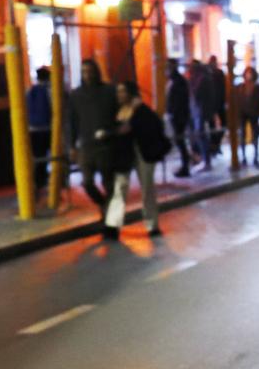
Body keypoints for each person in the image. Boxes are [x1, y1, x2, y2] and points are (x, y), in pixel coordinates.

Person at [66, 58, 122, 239]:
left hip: (106, 145)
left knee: (109, 185)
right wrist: (72, 145)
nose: (87, 75)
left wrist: (112, 132)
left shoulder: (109, 92)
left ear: (96, 72)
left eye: (90, 71)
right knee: (87, 182)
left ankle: (111, 224)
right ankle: (105, 205)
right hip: (87, 146)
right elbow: (72, 122)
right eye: (84, 72)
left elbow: (119, 117)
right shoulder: (76, 95)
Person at [112, 79, 168, 237]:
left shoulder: (142, 109)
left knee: (147, 189)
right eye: (118, 92)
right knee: (120, 188)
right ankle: (114, 225)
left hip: (143, 153)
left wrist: (133, 125)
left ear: (130, 93)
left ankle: (152, 225)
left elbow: (153, 127)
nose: (120, 95)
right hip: (125, 154)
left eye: (122, 91)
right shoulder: (119, 110)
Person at [26, 65, 54, 189]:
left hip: (33, 129)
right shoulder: (50, 90)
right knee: (54, 155)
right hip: (49, 128)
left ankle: (39, 181)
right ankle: (56, 180)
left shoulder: (31, 91)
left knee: (38, 156)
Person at [166, 59, 195, 178]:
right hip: (176, 115)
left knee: (180, 141)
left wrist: (173, 112)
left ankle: (185, 166)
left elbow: (180, 100)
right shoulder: (174, 81)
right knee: (180, 141)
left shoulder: (179, 81)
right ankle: (185, 165)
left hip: (179, 116)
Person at [198, 56, 226, 165]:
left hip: (218, 104)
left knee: (222, 125)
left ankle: (216, 144)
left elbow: (222, 89)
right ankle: (214, 146)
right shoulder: (207, 75)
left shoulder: (218, 73)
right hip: (211, 105)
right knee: (211, 126)